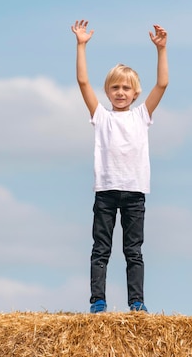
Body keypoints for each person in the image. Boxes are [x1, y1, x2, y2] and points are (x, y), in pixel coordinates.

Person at [70, 19, 168, 313]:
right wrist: (81, 45)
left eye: (126, 88)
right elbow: (83, 82)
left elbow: (162, 84)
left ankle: (136, 303)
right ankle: (98, 302)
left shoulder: (142, 116)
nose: (121, 92)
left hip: (135, 192)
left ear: (135, 93)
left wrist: (161, 50)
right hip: (106, 191)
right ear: (108, 91)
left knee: (133, 251)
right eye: (115, 87)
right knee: (101, 249)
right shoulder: (101, 116)